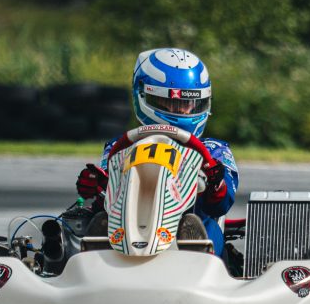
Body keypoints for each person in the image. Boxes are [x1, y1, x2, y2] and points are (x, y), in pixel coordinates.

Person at [74, 48, 238, 257]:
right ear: (143, 95)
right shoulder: (120, 146)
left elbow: (221, 206)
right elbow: (110, 200)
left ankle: (193, 248)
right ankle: (97, 257)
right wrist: (98, 187)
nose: (180, 111)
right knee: (98, 218)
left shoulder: (214, 150)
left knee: (201, 224)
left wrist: (216, 183)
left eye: (187, 104)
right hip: (124, 230)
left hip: (191, 227)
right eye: (169, 102)